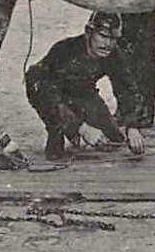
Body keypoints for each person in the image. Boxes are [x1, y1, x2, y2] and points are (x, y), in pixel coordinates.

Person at [25, 11, 146, 161]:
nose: (107, 44)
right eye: (103, 36)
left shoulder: (114, 55)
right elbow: (43, 93)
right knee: (56, 151)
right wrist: (80, 128)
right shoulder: (64, 50)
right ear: (89, 32)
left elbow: (126, 89)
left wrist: (132, 126)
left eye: (113, 38)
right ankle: (56, 131)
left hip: (83, 94)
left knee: (113, 140)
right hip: (49, 95)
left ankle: (76, 129)